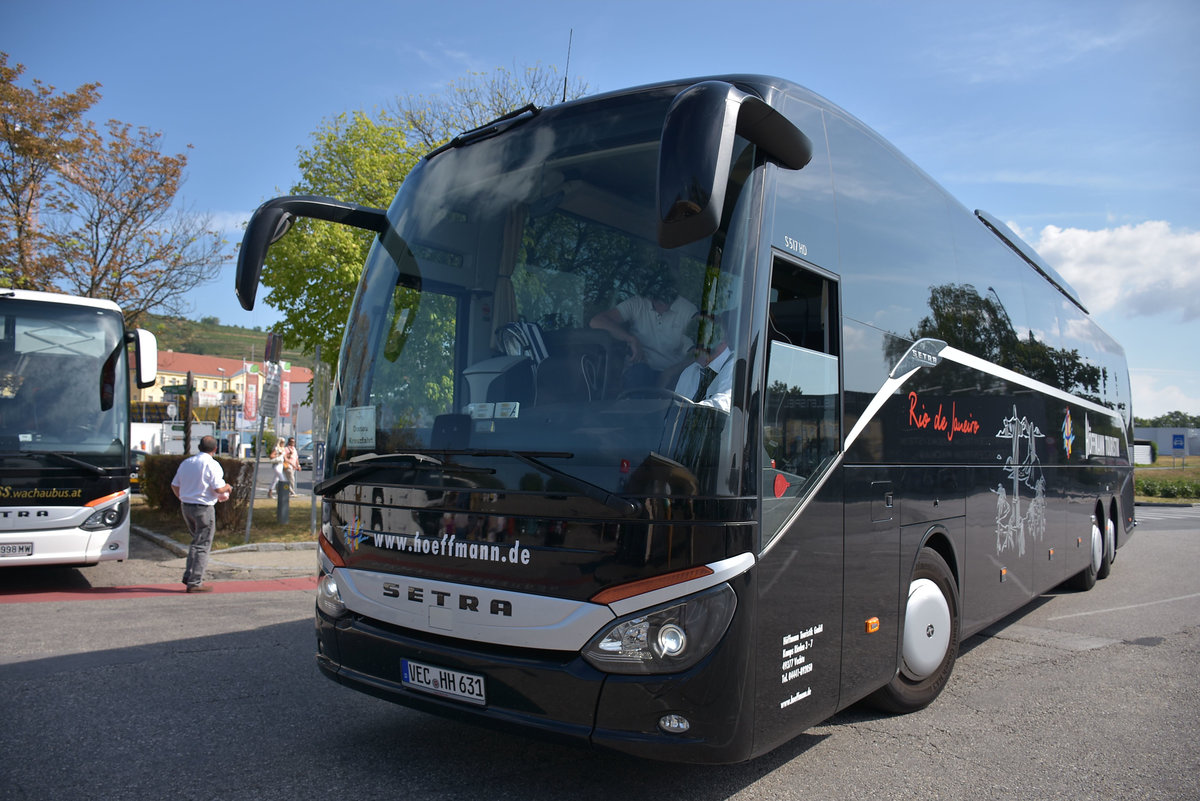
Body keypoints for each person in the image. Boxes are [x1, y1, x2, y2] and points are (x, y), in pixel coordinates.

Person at [589, 270, 697, 388]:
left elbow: (700, 356)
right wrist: (631, 339)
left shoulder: (688, 311)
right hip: (637, 375)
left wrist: (669, 373)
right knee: (639, 374)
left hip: (672, 378)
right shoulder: (638, 303)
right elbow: (596, 321)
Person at [171, 435, 232, 593]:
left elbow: (174, 485)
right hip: (203, 507)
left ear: (199, 447)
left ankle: (189, 575)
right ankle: (195, 581)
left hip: (187, 505)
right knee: (203, 544)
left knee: (196, 541)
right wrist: (228, 487)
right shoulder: (212, 464)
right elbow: (218, 488)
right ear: (215, 449)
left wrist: (183, 497)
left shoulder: (187, 463)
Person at [674, 313, 734, 412]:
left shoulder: (737, 366)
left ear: (721, 338)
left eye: (701, 336)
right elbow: (674, 412)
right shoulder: (689, 372)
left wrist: (687, 412)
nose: (694, 341)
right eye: (693, 336)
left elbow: (723, 406)